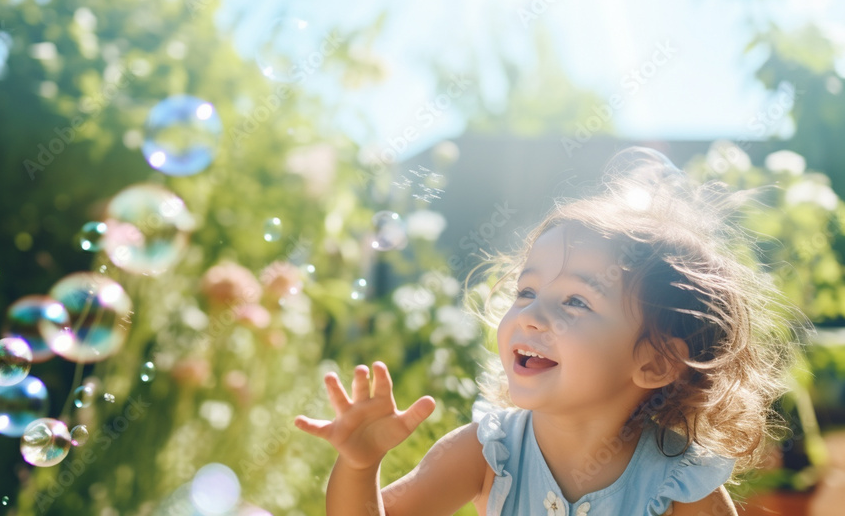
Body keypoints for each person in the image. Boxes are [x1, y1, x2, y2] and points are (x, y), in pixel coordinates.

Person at [295, 147, 806, 515]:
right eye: (526, 292)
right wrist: (360, 467)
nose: (532, 316)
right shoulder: (488, 452)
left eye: (576, 301)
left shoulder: (679, 485)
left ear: (655, 362)